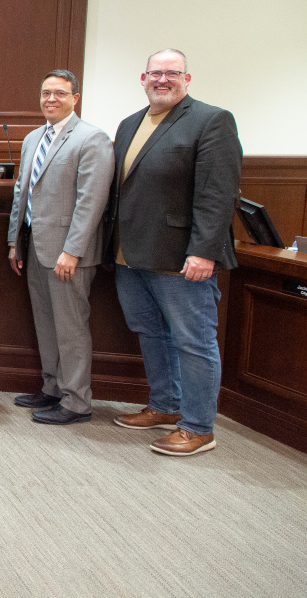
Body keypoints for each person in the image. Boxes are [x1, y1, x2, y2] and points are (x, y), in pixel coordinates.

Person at [106, 49, 242, 456]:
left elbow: (218, 194)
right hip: (130, 255)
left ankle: (198, 427)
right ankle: (165, 406)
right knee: (150, 332)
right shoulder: (130, 123)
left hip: (181, 258)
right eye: (155, 73)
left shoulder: (211, 120)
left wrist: (204, 252)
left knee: (194, 341)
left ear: (187, 78)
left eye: (172, 73)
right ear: (143, 78)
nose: (162, 79)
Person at [7, 69, 112, 426]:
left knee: (71, 329)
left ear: (75, 98)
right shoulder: (33, 138)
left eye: (60, 93)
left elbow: (91, 201)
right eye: (46, 93)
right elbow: (22, 192)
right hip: (35, 248)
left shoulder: (91, 138)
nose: (51, 99)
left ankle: (77, 401)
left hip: (68, 254)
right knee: (46, 324)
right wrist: (14, 241)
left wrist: (73, 251)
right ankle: (52, 388)